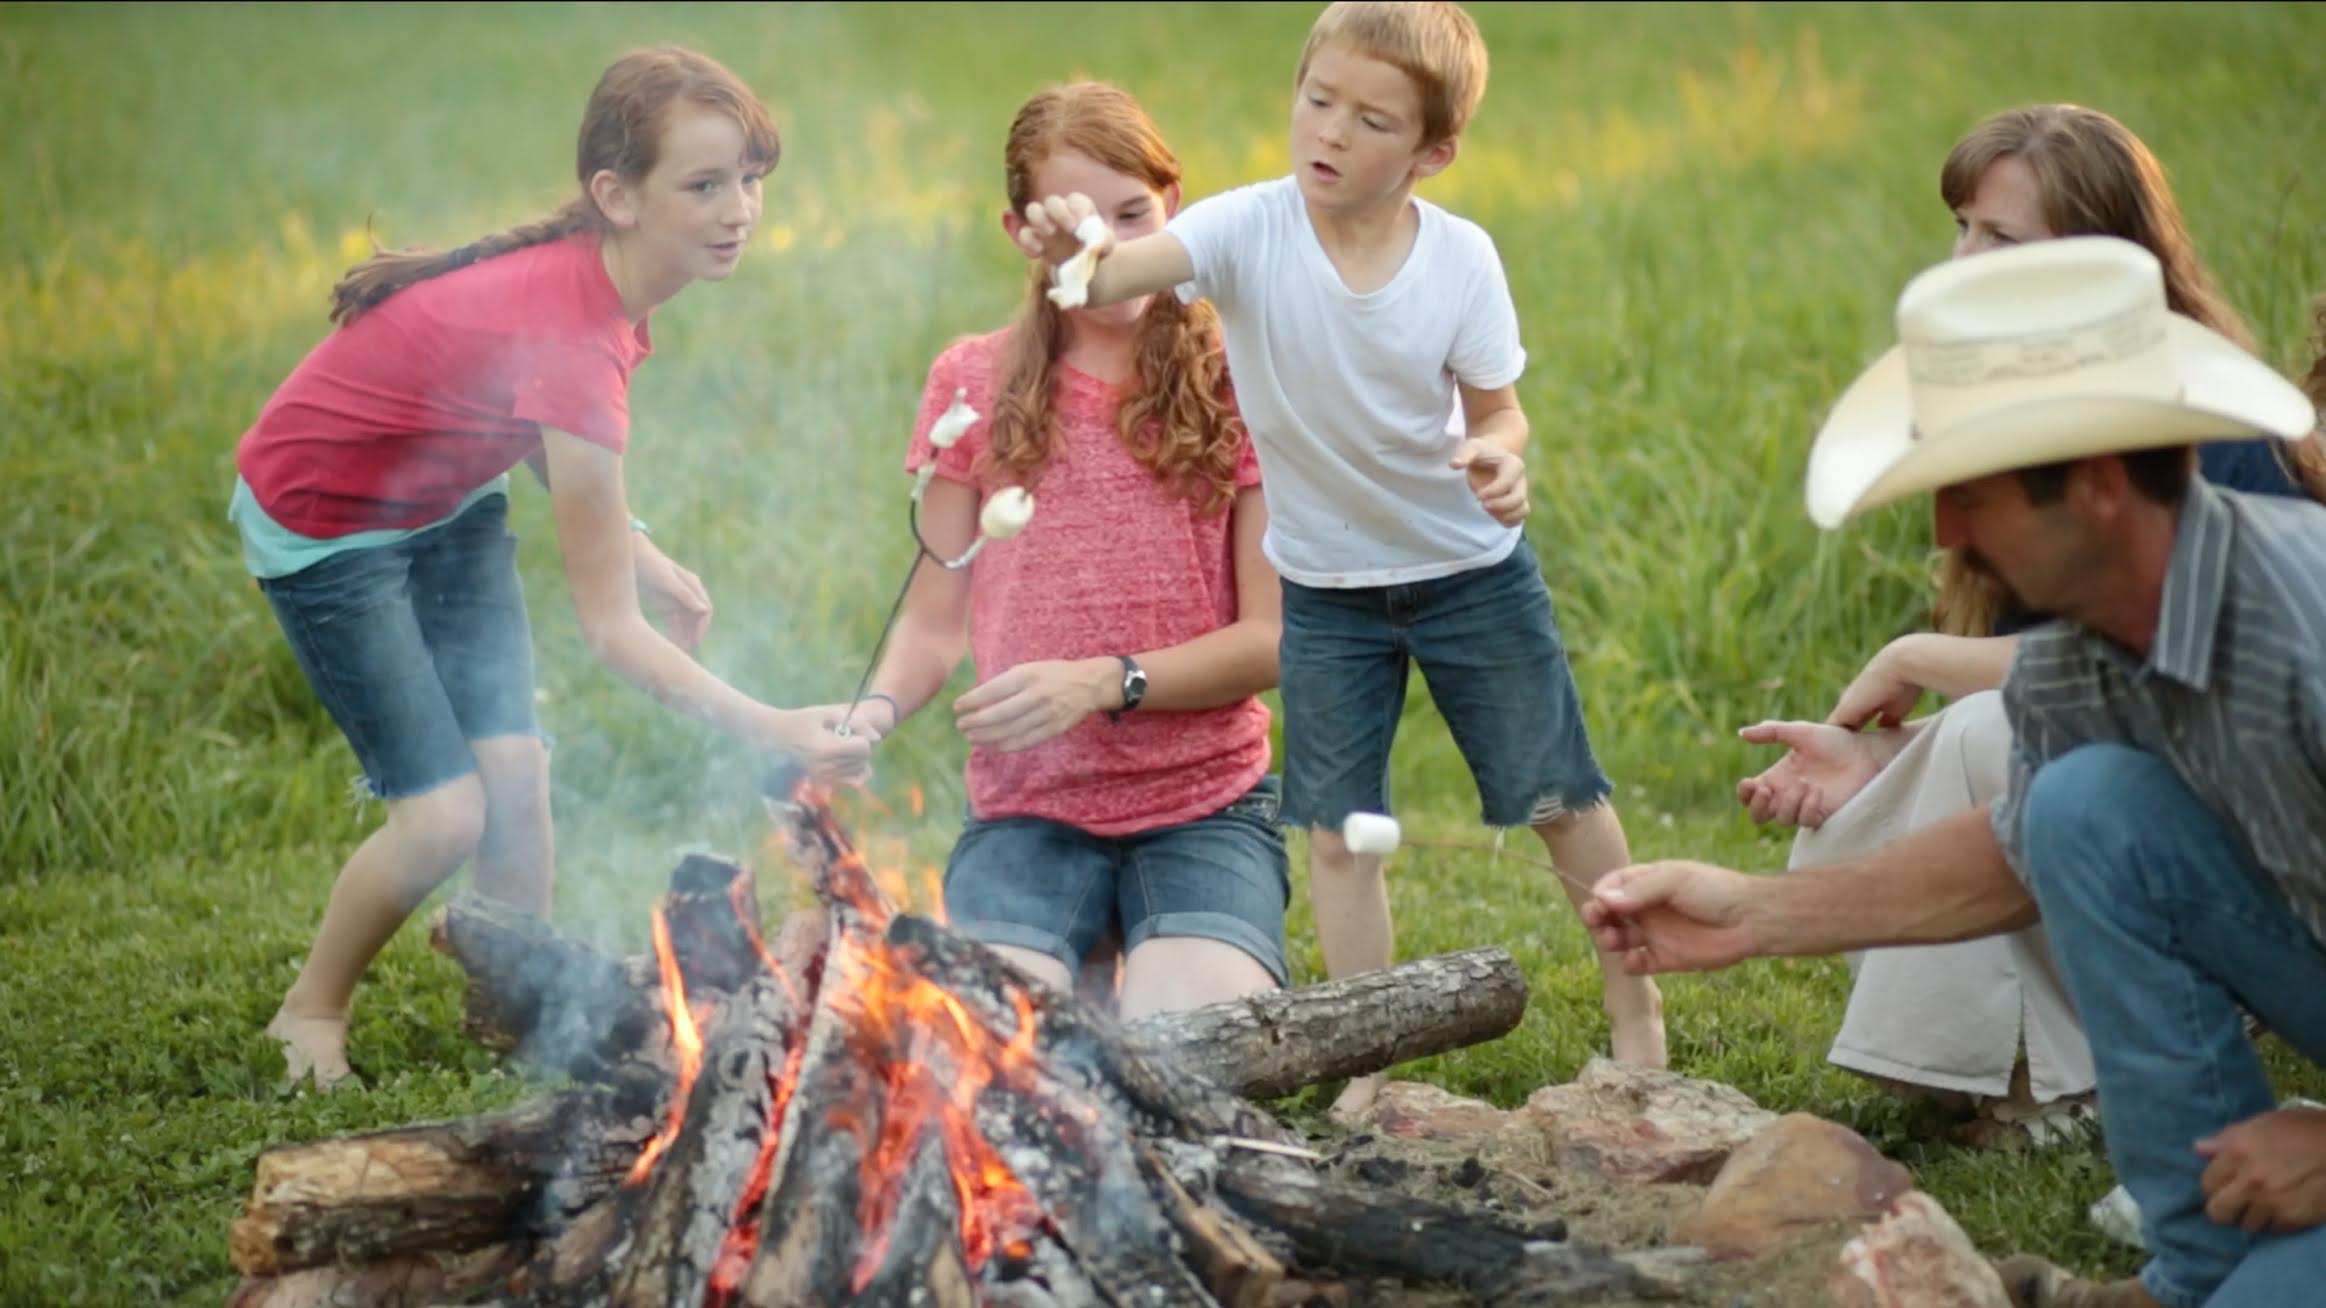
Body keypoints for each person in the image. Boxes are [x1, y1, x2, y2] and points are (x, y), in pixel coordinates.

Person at [1586, 236, 2326, 1308]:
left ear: (2099, 484)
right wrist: (1751, 913)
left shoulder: (2302, 634)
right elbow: (2016, 852)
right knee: (2079, 805)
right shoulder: (2086, 657)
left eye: (1971, 494)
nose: (1944, 530)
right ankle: (2193, 1276)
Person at [1011, 1, 1664, 1117]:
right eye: (1316, 100)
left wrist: (1501, 461)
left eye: (1370, 120)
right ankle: (1370, 1061)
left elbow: (1500, 413)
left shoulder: (1460, 260)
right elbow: (1118, 273)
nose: (1330, 131)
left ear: (1431, 151)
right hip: (1325, 594)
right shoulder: (1243, 229)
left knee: (1559, 795)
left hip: (1469, 575)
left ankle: (1638, 1016)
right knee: (1338, 833)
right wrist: (1076, 256)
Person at [231, 47, 866, 1090]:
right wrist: (780, 727)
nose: (738, 207)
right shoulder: (579, 335)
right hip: (327, 525)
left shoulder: (601, 287)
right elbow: (611, 637)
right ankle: (310, 1010)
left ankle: (517, 1003)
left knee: (519, 779)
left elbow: (508, 410)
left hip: (444, 500)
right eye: (703, 185)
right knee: (443, 814)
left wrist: (638, 545)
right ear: (616, 196)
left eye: (750, 177)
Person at [1732, 104, 2326, 1146]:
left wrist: (1916, 657)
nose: (1963, 259)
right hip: (2208, 845)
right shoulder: (2043, 487)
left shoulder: (2243, 503)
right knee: (1984, 794)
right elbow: (2050, 751)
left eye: (1998, 238)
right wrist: (1870, 773)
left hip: (2255, 869)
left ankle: (2066, 1079)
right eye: (1959, 227)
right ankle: (2052, 1102)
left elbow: (2136, 691)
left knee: (2008, 753)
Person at [806, 82, 1286, 1021]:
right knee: (981, 1041)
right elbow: (935, 619)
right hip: (1028, 812)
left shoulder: (1239, 376)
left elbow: (1274, 639)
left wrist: (1105, 681)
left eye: (1130, 214)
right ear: (1021, 234)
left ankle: (1140, 961)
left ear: (1173, 206)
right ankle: (1090, 959)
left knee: (1193, 1044)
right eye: (1071, 228)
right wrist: (871, 712)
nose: (1103, 248)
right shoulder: (972, 381)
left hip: (1205, 806)